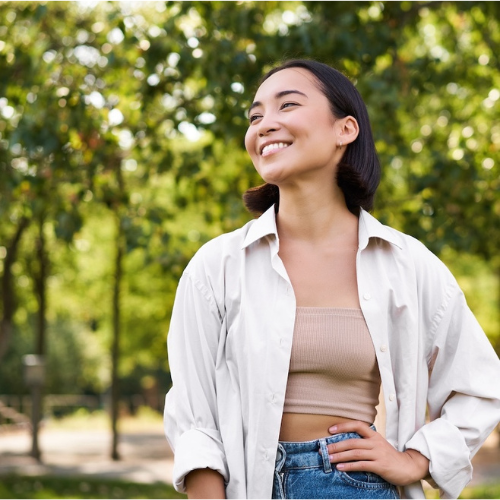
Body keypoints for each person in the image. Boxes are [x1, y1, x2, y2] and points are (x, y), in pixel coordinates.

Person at [163, 59, 500, 499]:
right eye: (256, 115)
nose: (265, 124)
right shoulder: (217, 267)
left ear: (345, 130)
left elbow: (480, 385)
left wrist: (415, 459)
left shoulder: (406, 264)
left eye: (287, 105)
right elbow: (194, 417)